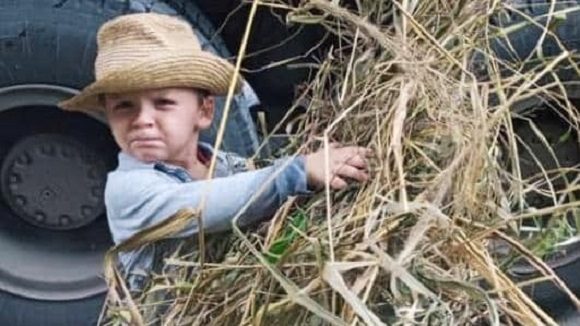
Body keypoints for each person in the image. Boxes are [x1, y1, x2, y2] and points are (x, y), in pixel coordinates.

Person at [59, 13, 371, 292]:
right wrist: (299, 171)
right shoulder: (127, 190)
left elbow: (253, 182)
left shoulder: (221, 163)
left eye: (164, 103)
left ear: (204, 111)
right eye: (123, 106)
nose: (142, 120)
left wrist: (324, 162)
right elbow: (209, 204)